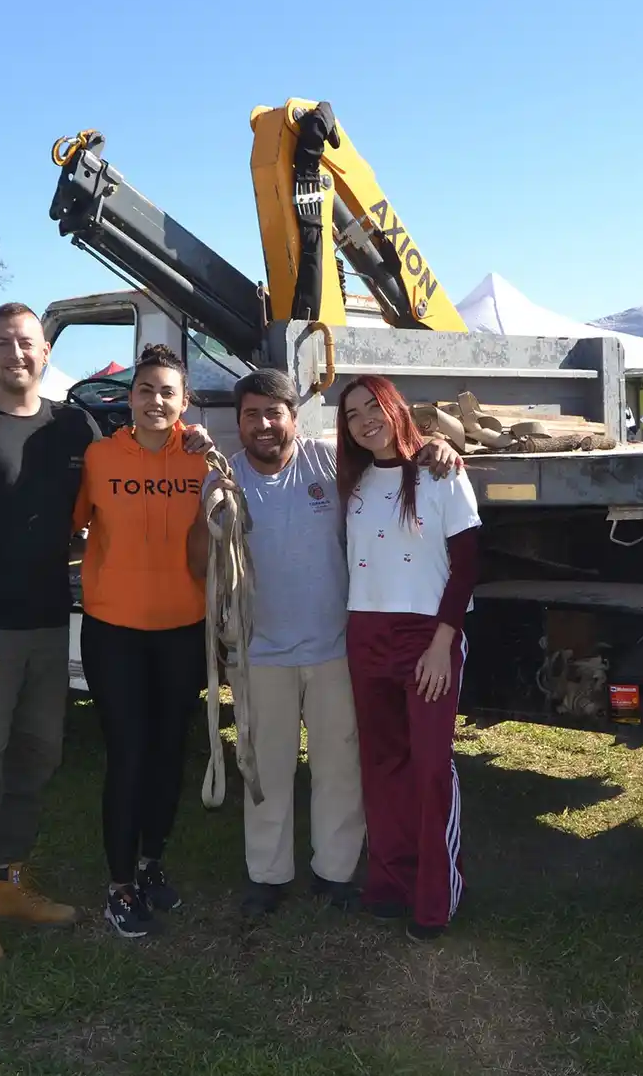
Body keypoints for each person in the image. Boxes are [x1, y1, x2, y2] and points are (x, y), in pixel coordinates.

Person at [0, 303, 209, 966]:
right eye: (2, 343)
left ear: (46, 351)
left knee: (36, 757)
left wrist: (190, 437)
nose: (16, 353)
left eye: (27, 343)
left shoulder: (73, 426)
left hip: (50, 623)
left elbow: (118, 483)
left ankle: (12, 884)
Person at [186, 368, 463, 919]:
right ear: (238, 423)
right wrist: (205, 510)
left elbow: (390, 454)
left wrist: (438, 443)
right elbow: (199, 565)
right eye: (251, 415)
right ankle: (268, 875)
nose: (263, 425)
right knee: (265, 769)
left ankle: (335, 872)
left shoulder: (329, 462)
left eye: (274, 413)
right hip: (260, 652)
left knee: (339, 765)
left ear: (294, 417)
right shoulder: (226, 478)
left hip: (335, 648)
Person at [72, 343, 211, 938]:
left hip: (184, 630)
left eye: (167, 392)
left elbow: (228, 529)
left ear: (184, 402)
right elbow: (70, 528)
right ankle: (120, 884)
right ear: (129, 399)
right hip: (116, 633)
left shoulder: (203, 460)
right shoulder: (100, 457)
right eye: (145, 390)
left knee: (169, 753)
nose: (155, 400)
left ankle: (153, 862)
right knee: (128, 755)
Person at [336, 373, 481, 942]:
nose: (364, 419)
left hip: (426, 636)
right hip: (365, 633)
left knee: (428, 766)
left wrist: (443, 645)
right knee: (382, 764)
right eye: (351, 414)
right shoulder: (350, 479)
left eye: (373, 405)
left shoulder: (440, 472)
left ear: (394, 406)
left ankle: (436, 895)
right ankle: (390, 883)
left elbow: (466, 565)